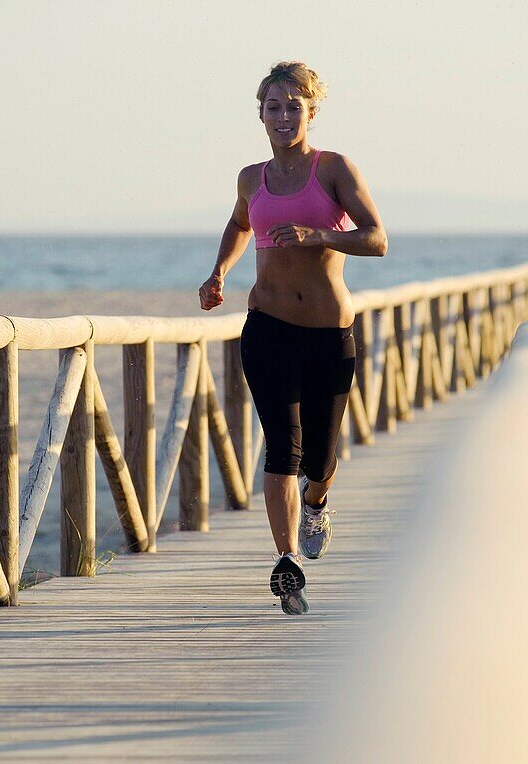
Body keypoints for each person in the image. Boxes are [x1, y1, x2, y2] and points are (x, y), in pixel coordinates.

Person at [198, 61, 387, 615]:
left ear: (312, 111)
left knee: (321, 458)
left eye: (294, 106)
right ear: (261, 114)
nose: (284, 116)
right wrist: (219, 274)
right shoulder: (251, 178)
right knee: (282, 446)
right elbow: (239, 226)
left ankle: (317, 501)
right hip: (268, 328)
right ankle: (286, 561)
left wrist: (319, 235)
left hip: (329, 332)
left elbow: (376, 239)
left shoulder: (334, 170)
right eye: (273, 107)